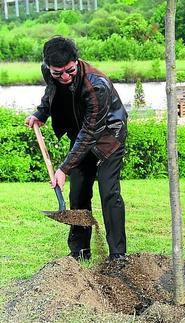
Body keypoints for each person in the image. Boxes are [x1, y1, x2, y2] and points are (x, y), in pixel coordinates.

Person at [24, 36, 128, 262]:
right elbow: (51, 93)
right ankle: (79, 252)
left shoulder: (96, 85)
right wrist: (40, 114)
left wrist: (63, 169)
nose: (64, 77)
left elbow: (91, 133)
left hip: (109, 135)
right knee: (78, 192)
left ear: (76, 61)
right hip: (81, 132)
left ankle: (118, 255)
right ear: (49, 67)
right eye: (57, 73)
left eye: (69, 71)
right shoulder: (51, 72)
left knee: (109, 193)